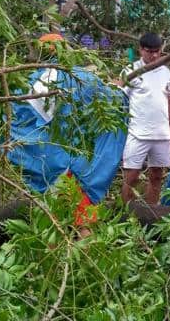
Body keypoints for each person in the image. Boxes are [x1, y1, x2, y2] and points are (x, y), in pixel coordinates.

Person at [8, 33, 127, 236]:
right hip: (77, 163)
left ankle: (54, 263)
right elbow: (115, 103)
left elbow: (17, 123)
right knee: (83, 220)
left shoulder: (29, 81)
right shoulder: (81, 77)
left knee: (51, 220)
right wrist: (119, 89)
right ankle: (85, 263)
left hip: (46, 163)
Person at [120, 33, 170, 204]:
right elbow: (119, 99)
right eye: (149, 51)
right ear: (140, 50)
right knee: (130, 177)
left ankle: (152, 212)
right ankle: (125, 213)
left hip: (161, 134)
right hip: (137, 133)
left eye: (157, 51)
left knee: (157, 176)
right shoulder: (130, 71)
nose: (153, 55)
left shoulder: (166, 72)